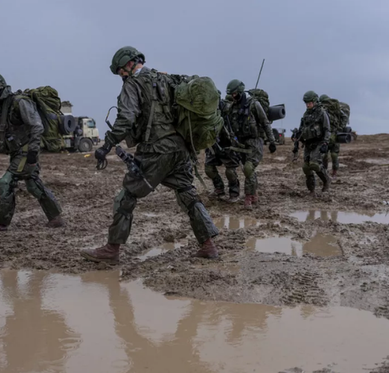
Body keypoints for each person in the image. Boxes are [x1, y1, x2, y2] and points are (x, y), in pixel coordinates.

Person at [81, 46, 220, 264]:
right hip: (180, 149)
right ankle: (208, 245)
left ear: (128, 64)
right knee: (186, 192)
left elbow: (126, 119)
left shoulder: (133, 85)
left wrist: (106, 146)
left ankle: (112, 250)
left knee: (126, 197)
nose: (121, 76)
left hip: (156, 151)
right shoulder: (166, 79)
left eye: (120, 72)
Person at [0, 72, 65, 232]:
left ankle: (0, 223)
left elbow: (37, 126)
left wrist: (32, 152)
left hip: (26, 151)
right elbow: (13, 128)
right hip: (17, 152)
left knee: (6, 182)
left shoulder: (19, 102)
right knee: (33, 185)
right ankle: (56, 218)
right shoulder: (4, 105)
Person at [224, 79, 276, 209]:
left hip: (255, 141)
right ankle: (254, 194)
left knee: (248, 168)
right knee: (247, 170)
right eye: (231, 94)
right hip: (240, 143)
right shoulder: (232, 108)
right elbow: (229, 125)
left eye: (235, 93)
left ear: (240, 92)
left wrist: (271, 141)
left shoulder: (253, 105)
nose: (233, 96)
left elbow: (265, 122)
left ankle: (248, 198)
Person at [204, 94, 241, 202]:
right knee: (209, 168)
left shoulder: (228, 111)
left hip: (227, 144)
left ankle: (234, 193)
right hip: (213, 144)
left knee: (230, 171)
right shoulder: (206, 111)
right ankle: (219, 188)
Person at [297, 91, 331, 194]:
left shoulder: (321, 113)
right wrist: (297, 139)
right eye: (306, 103)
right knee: (306, 167)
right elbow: (302, 129)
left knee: (315, 164)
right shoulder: (306, 114)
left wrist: (325, 143)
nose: (308, 105)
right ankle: (311, 190)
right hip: (308, 143)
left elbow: (327, 129)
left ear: (315, 101)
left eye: (310, 102)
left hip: (319, 142)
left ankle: (326, 180)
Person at [318, 94, 341, 177]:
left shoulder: (322, 110)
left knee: (325, 155)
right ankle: (333, 172)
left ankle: (326, 172)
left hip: (327, 137)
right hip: (334, 136)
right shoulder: (335, 110)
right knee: (333, 155)